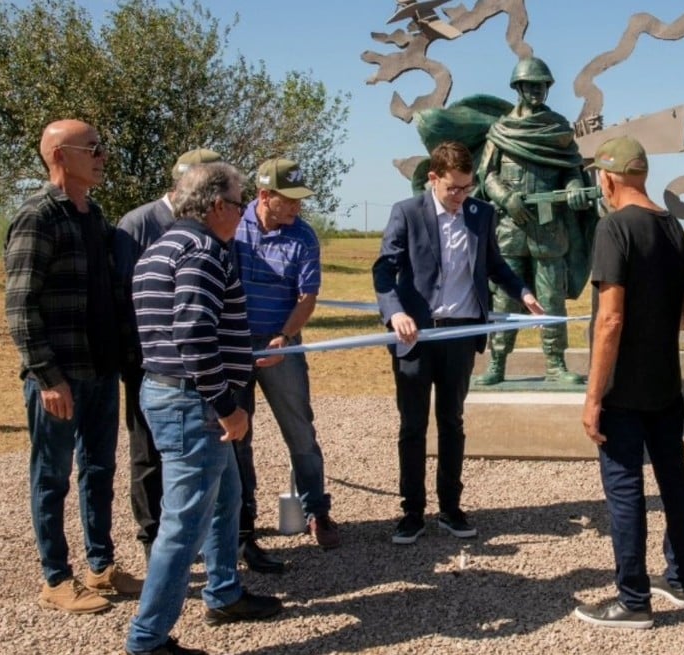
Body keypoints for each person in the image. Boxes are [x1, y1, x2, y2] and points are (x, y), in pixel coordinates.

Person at [125, 162, 284, 655]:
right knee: (184, 523)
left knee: (225, 499)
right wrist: (225, 405)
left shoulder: (162, 247)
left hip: (171, 391)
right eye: (239, 204)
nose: (242, 214)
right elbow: (193, 335)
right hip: (195, 403)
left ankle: (224, 592)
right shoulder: (201, 252)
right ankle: (147, 639)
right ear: (217, 206)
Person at [373, 141, 542, 545]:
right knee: (413, 426)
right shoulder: (406, 213)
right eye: (454, 189)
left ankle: (450, 508)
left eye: (468, 188)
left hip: (461, 336)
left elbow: (495, 266)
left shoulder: (481, 214)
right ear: (433, 178)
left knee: (452, 422)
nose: (461, 196)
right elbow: (384, 270)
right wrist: (395, 312)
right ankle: (411, 512)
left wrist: (523, 293)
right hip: (415, 336)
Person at [5, 118, 142, 614]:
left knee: (100, 470)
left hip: (102, 371)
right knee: (52, 476)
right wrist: (47, 376)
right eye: (94, 148)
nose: (103, 156)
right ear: (61, 156)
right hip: (61, 379)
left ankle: (101, 567)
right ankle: (56, 578)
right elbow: (20, 308)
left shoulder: (94, 214)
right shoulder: (38, 218)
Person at [573, 137, 684, 631]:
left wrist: (593, 394)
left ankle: (632, 598)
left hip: (623, 385)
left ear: (607, 178)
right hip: (666, 379)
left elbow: (610, 320)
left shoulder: (614, 227)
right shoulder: (672, 226)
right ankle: (680, 577)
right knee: (674, 479)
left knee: (624, 488)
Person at [229, 158, 338, 574]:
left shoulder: (304, 236)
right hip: (234, 348)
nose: (296, 208)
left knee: (301, 432)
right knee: (237, 435)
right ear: (264, 197)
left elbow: (306, 297)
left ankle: (317, 512)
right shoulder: (232, 226)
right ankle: (244, 526)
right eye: (288, 200)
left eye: (300, 200)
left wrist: (285, 338)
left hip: (282, 345)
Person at [114, 148, 224, 561]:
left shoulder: (211, 226)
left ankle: (204, 541)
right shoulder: (139, 224)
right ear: (183, 185)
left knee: (202, 461)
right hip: (152, 366)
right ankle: (152, 538)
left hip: (199, 372)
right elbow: (126, 297)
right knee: (149, 456)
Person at [474, 56, 596, 386]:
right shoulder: (500, 130)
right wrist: (505, 198)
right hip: (511, 226)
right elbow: (487, 174)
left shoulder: (558, 128)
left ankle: (556, 363)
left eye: (542, 85)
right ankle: (497, 362)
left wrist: (573, 189)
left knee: (551, 296)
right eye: (530, 85)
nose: (537, 90)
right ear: (518, 87)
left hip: (549, 227)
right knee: (505, 297)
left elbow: (572, 169)